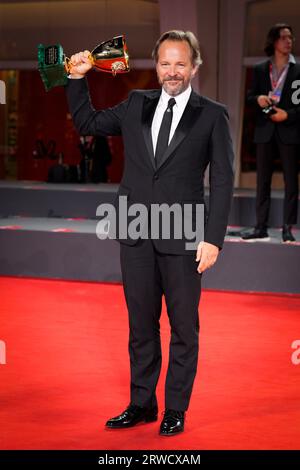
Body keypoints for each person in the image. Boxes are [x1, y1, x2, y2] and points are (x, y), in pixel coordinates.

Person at [66, 30, 234, 436]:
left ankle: (175, 409)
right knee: (141, 326)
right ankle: (142, 403)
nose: (171, 71)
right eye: (164, 63)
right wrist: (76, 79)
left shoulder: (212, 113)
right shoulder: (136, 103)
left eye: (180, 63)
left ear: (194, 66)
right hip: (136, 233)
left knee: (183, 328)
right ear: (155, 66)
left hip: (185, 237)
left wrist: (213, 239)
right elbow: (87, 121)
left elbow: (224, 181)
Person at [242, 24, 300, 243]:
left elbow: (299, 104)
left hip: (288, 129)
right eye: (284, 37)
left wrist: (288, 115)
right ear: (274, 41)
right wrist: (258, 99)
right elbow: (249, 98)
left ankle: (287, 227)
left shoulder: (297, 71)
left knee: (291, 181)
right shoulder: (260, 69)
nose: (289, 41)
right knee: (262, 180)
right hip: (265, 128)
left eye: (291, 37)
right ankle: (260, 226)